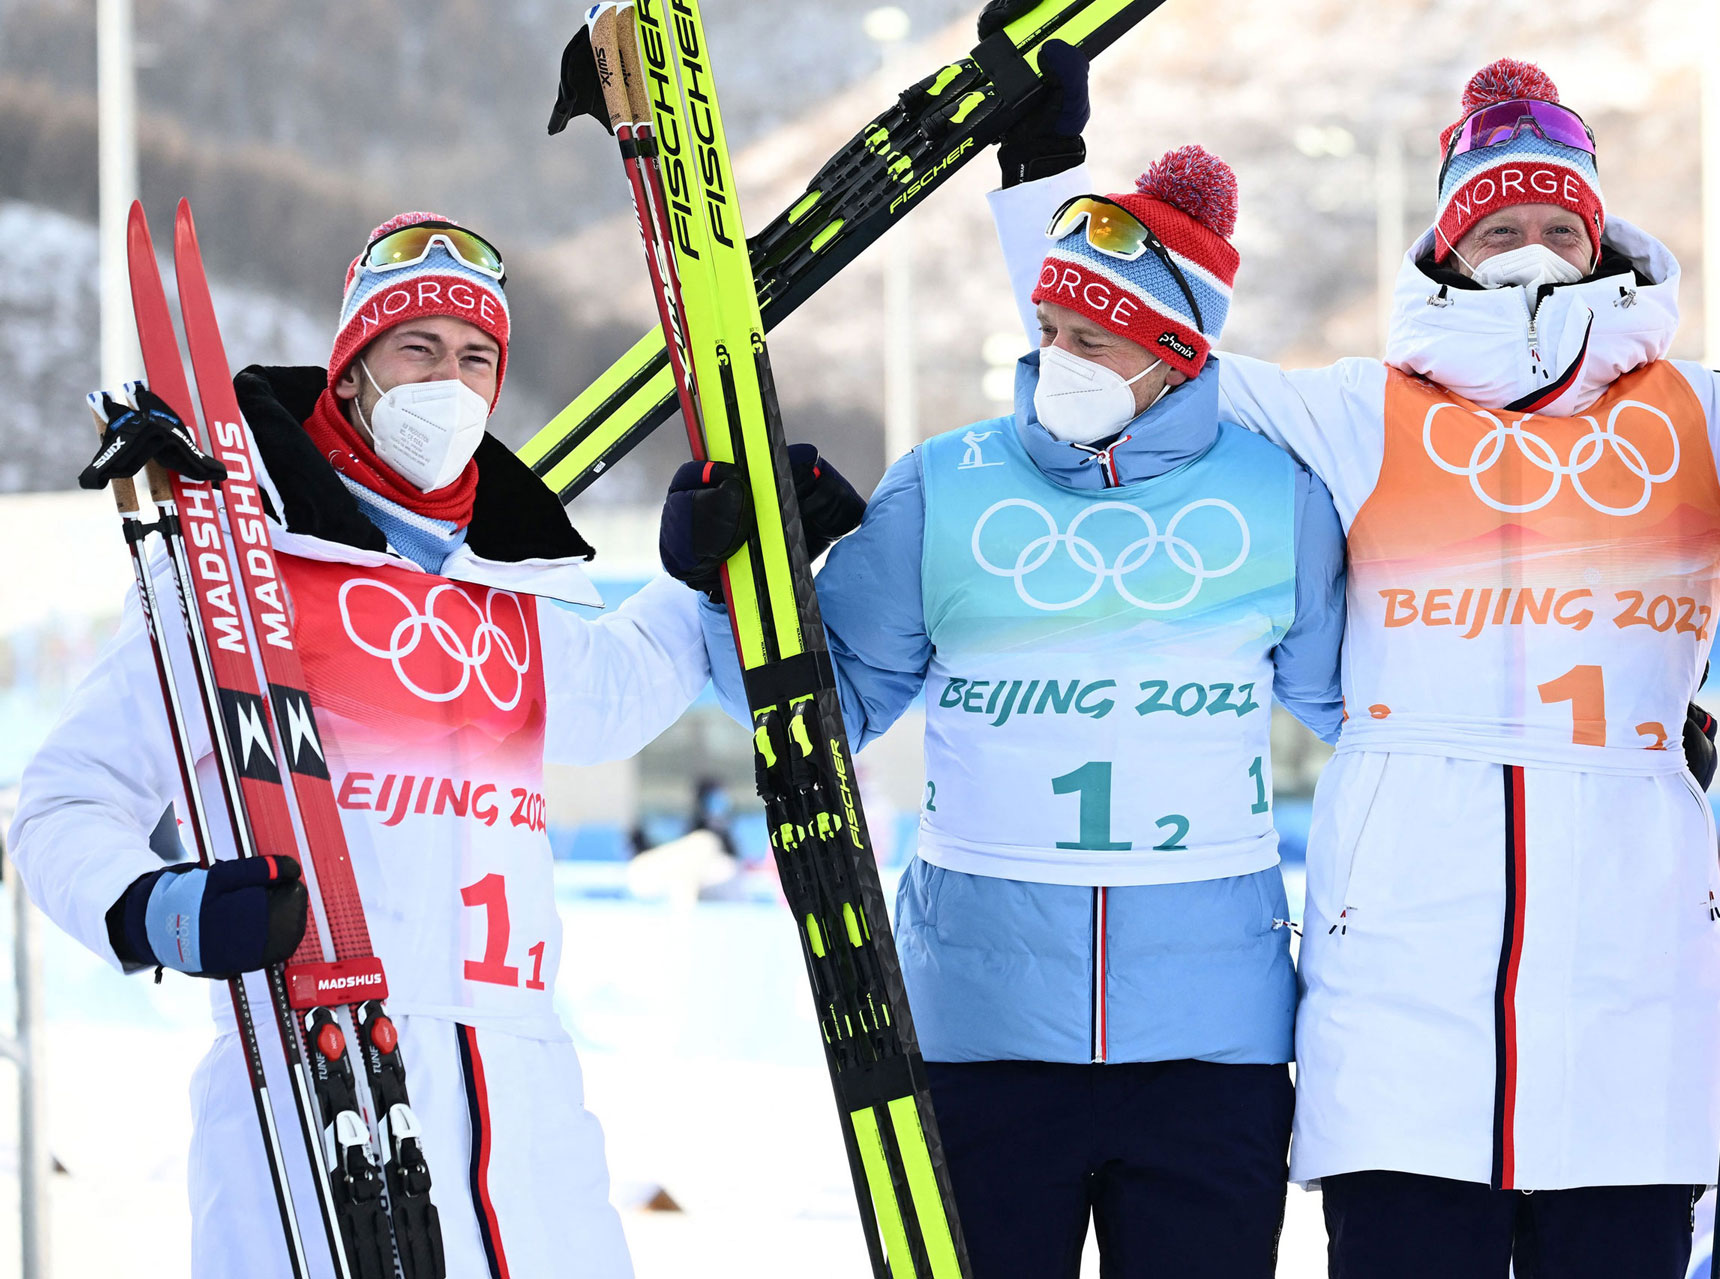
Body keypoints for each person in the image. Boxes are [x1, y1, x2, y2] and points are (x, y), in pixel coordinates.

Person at [990, 51, 1720, 1279]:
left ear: (1601, 240)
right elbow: (1142, 361)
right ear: (1446, 247)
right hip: (1407, 966)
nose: (1528, 251)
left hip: (1627, 962)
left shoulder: (1709, 415)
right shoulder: (1365, 411)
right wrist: (1042, 192)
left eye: (1557, 226)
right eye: (1496, 224)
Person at [12, 214, 745, 1279]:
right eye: (419, 348)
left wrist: (695, 577)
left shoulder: (510, 586)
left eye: (476, 356)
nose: (449, 378)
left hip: (525, 1106)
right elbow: (65, 800)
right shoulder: (240, 575)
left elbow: (616, 697)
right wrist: (157, 907)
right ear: (353, 370)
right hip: (318, 1089)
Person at [672, 140, 1347, 1279]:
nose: (1059, 358)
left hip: (1210, 1044)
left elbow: (1367, 711)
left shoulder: (1276, 498)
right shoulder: (946, 483)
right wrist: (727, 587)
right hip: (973, 1032)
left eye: (1093, 339)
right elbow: (821, 708)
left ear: (1172, 354)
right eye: (1051, 332)